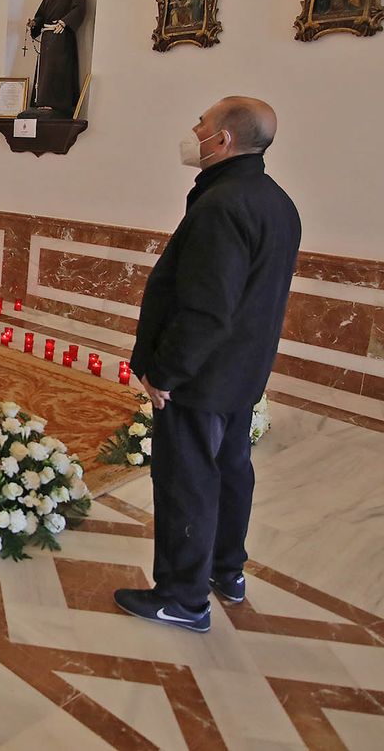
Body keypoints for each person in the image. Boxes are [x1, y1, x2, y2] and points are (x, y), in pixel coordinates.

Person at [114, 96, 301, 633]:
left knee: (187, 480)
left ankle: (183, 597)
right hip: (241, 372)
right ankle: (226, 569)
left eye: (201, 123)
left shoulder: (222, 206)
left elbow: (205, 307)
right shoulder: (274, 200)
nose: (193, 129)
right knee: (231, 469)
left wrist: (166, 372)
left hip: (201, 377)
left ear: (222, 141)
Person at [25, 0, 87, 117]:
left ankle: (57, 104)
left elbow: (79, 8)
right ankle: (43, 102)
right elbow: (42, 15)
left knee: (58, 69)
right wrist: (35, 23)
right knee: (45, 71)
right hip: (47, 38)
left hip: (62, 37)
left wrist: (65, 22)